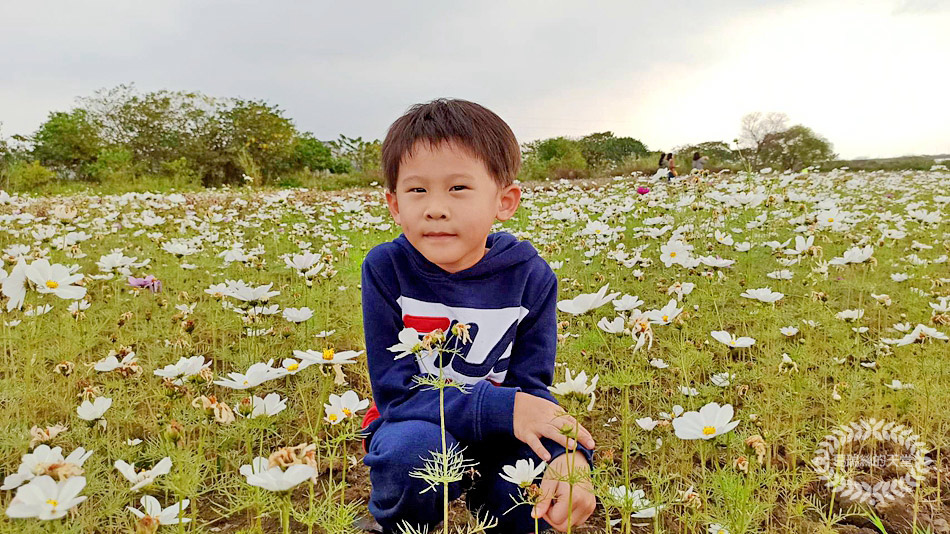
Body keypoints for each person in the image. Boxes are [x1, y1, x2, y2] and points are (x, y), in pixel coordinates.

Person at [358, 98, 596, 534]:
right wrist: (505, 409)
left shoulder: (531, 276)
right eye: (417, 190)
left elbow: (530, 387)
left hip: (505, 425)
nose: (435, 208)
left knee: (535, 489)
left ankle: (499, 511)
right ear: (393, 204)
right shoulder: (385, 268)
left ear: (504, 201)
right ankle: (399, 525)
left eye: (458, 188)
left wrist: (570, 456)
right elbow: (396, 394)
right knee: (412, 454)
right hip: (417, 421)